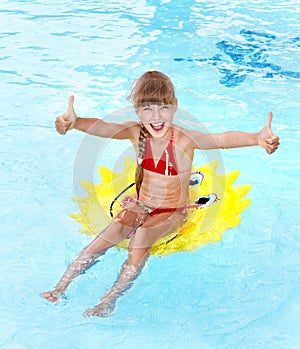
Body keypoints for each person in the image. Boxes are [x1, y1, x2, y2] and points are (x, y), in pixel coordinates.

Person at [40, 70, 280, 317]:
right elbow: (105, 127)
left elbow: (221, 139)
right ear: (137, 111)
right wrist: (75, 122)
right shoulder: (136, 133)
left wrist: (257, 138)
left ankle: (108, 300)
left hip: (172, 212)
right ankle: (60, 287)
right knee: (113, 229)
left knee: (142, 235)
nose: (155, 116)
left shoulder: (185, 140)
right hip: (140, 204)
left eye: (163, 108)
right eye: (147, 109)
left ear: (175, 107)